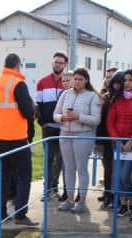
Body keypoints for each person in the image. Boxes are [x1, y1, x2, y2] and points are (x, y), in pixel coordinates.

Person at [0, 53, 37, 226]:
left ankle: (1, 213)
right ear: (17, 65)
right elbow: (28, 112)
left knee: (5, 175)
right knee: (24, 176)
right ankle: (20, 215)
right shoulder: (18, 84)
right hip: (16, 137)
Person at [54, 67, 101, 213]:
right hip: (65, 134)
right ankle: (69, 199)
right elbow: (55, 114)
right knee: (68, 168)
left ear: (86, 80)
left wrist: (78, 116)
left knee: (81, 168)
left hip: (83, 135)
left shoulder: (92, 96)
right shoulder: (65, 94)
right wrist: (62, 118)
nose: (77, 81)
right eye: (76, 78)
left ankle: (81, 201)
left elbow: (96, 120)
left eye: (81, 79)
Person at [107, 68, 132, 217]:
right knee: (118, 175)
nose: (127, 83)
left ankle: (131, 201)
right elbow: (110, 122)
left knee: (125, 175)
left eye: (130, 80)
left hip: (131, 143)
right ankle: (124, 203)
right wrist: (117, 140)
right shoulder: (117, 99)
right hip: (117, 143)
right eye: (125, 80)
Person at [36, 52, 68, 199]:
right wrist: (42, 122)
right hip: (48, 128)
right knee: (48, 159)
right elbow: (38, 104)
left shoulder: (68, 81)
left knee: (61, 159)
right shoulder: (42, 82)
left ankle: (54, 187)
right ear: (52, 62)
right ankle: (47, 189)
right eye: (56, 62)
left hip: (63, 128)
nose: (58, 65)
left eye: (61, 63)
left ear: (65, 65)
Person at [96, 70, 125, 209]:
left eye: (120, 83)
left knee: (120, 171)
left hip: (123, 139)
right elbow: (101, 122)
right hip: (107, 139)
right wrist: (99, 141)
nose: (117, 85)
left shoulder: (127, 98)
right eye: (115, 82)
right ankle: (108, 195)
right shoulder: (106, 98)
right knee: (108, 169)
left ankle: (119, 197)